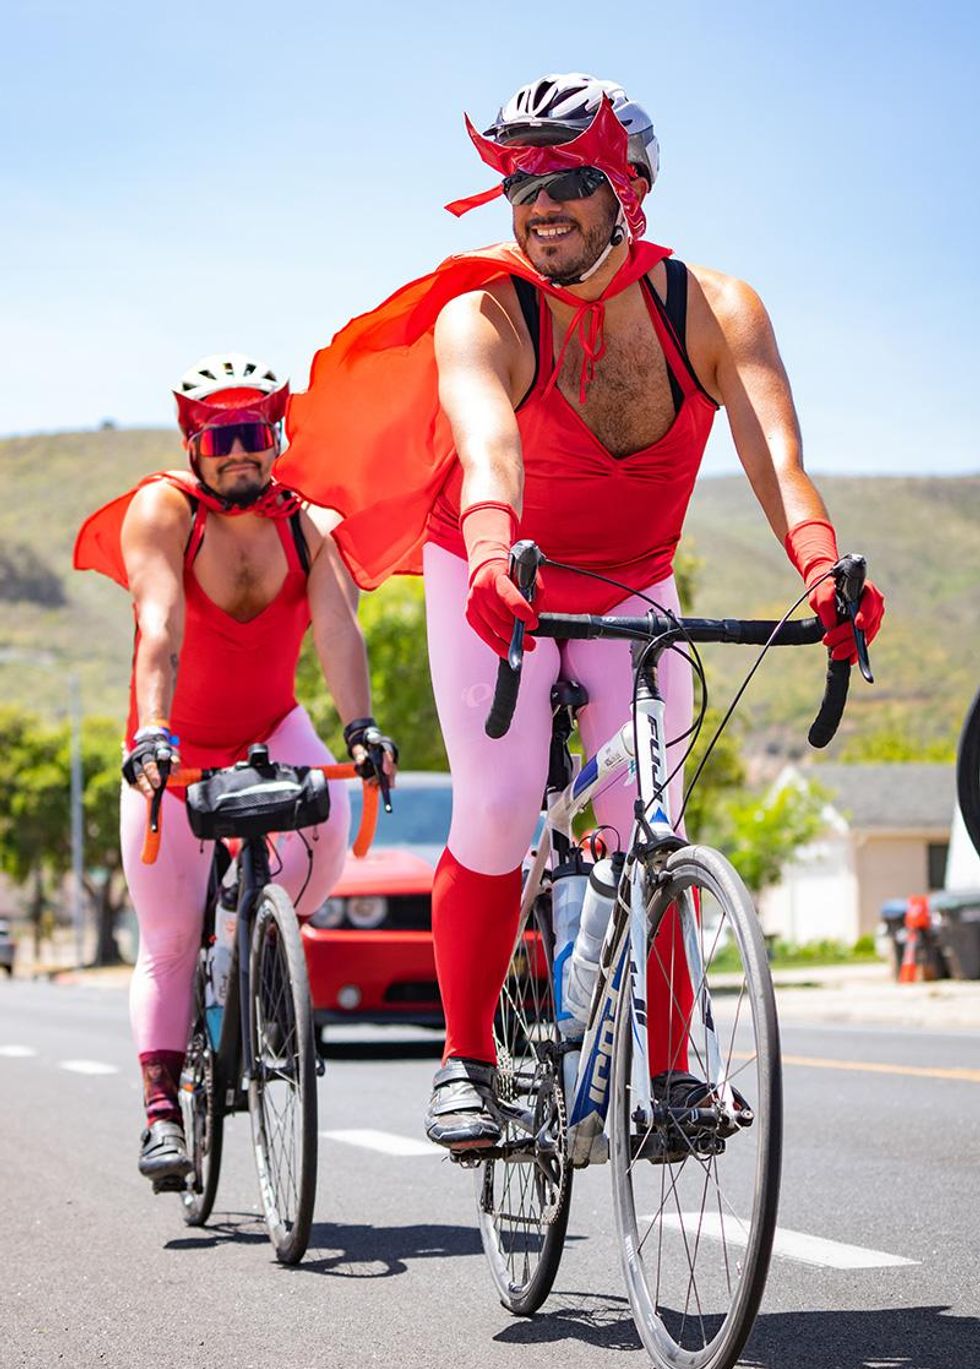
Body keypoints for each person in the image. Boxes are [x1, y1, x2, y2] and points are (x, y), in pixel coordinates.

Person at [277, 74, 884, 1150]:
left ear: (628, 189)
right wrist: (484, 548)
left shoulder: (712, 306)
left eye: (564, 178)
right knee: (504, 802)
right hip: (493, 564)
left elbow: (776, 459)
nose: (536, 202)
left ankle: (674, 1073)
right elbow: (483, 441)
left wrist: (821, 568)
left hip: (632, 579)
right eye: (517, 182)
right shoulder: (486, 310)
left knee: (648, 816)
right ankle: (464, 1059)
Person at [75, 353, 396, 1188]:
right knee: (172, 937)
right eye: (221, 436)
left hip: (268, 729)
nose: (241, 451)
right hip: (173, 745)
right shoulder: (163, 510)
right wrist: (150, 734)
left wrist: (360, 728)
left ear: (276, 434)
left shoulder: (306, 524)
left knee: (326, 815)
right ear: (193, 441)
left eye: (255, 432)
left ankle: (261, 944)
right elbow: (160, 628)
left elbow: (337, 634)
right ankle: (160, 1114)